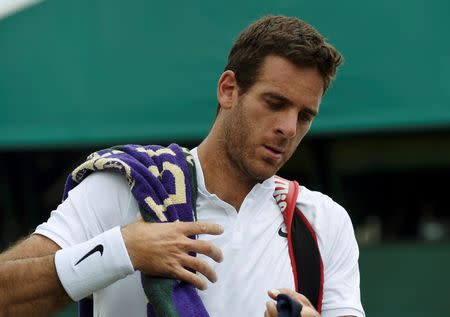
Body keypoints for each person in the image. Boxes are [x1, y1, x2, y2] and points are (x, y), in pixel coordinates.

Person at [0, 15, 365, 317]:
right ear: (228, 90)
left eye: (304, 116)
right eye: (274, 102)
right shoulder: (126, 186)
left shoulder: (321, 221)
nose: (288, 127)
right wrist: (122, 250)